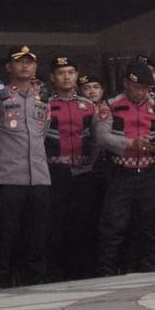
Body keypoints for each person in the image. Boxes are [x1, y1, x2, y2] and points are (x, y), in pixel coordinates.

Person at [95, 60, 155, 276]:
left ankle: (150, 272)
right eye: (136, 87)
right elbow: (101, 137)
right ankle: (108, 274)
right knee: (113, 227)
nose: (141, 93)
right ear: (125, 84)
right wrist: (131, 144)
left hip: (152, 173)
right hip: (122, 173)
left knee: (153, 226)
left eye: (145, 89)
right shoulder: (111, 104)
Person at [0, 45, 50, 287]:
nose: (25, 66)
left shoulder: (42, 98)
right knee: (3, 236)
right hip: (7, 177)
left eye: (30, 61)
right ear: (8, 67)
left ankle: (34, 282)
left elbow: (42, 134)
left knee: (36, 235)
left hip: (40, 177)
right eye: (19, 61)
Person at [43, 55, 98, 280]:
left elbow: (97, 140)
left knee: (84, 223)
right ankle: (57, 273)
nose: (66, 77)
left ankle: (85, 271)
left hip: (84, 173)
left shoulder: (89, 106)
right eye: (61, 72)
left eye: (70, 72)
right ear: (52, 78)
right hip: (55, 173)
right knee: (56, 224)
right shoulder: (44, 105)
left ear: (76, 76)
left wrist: (91, 164)